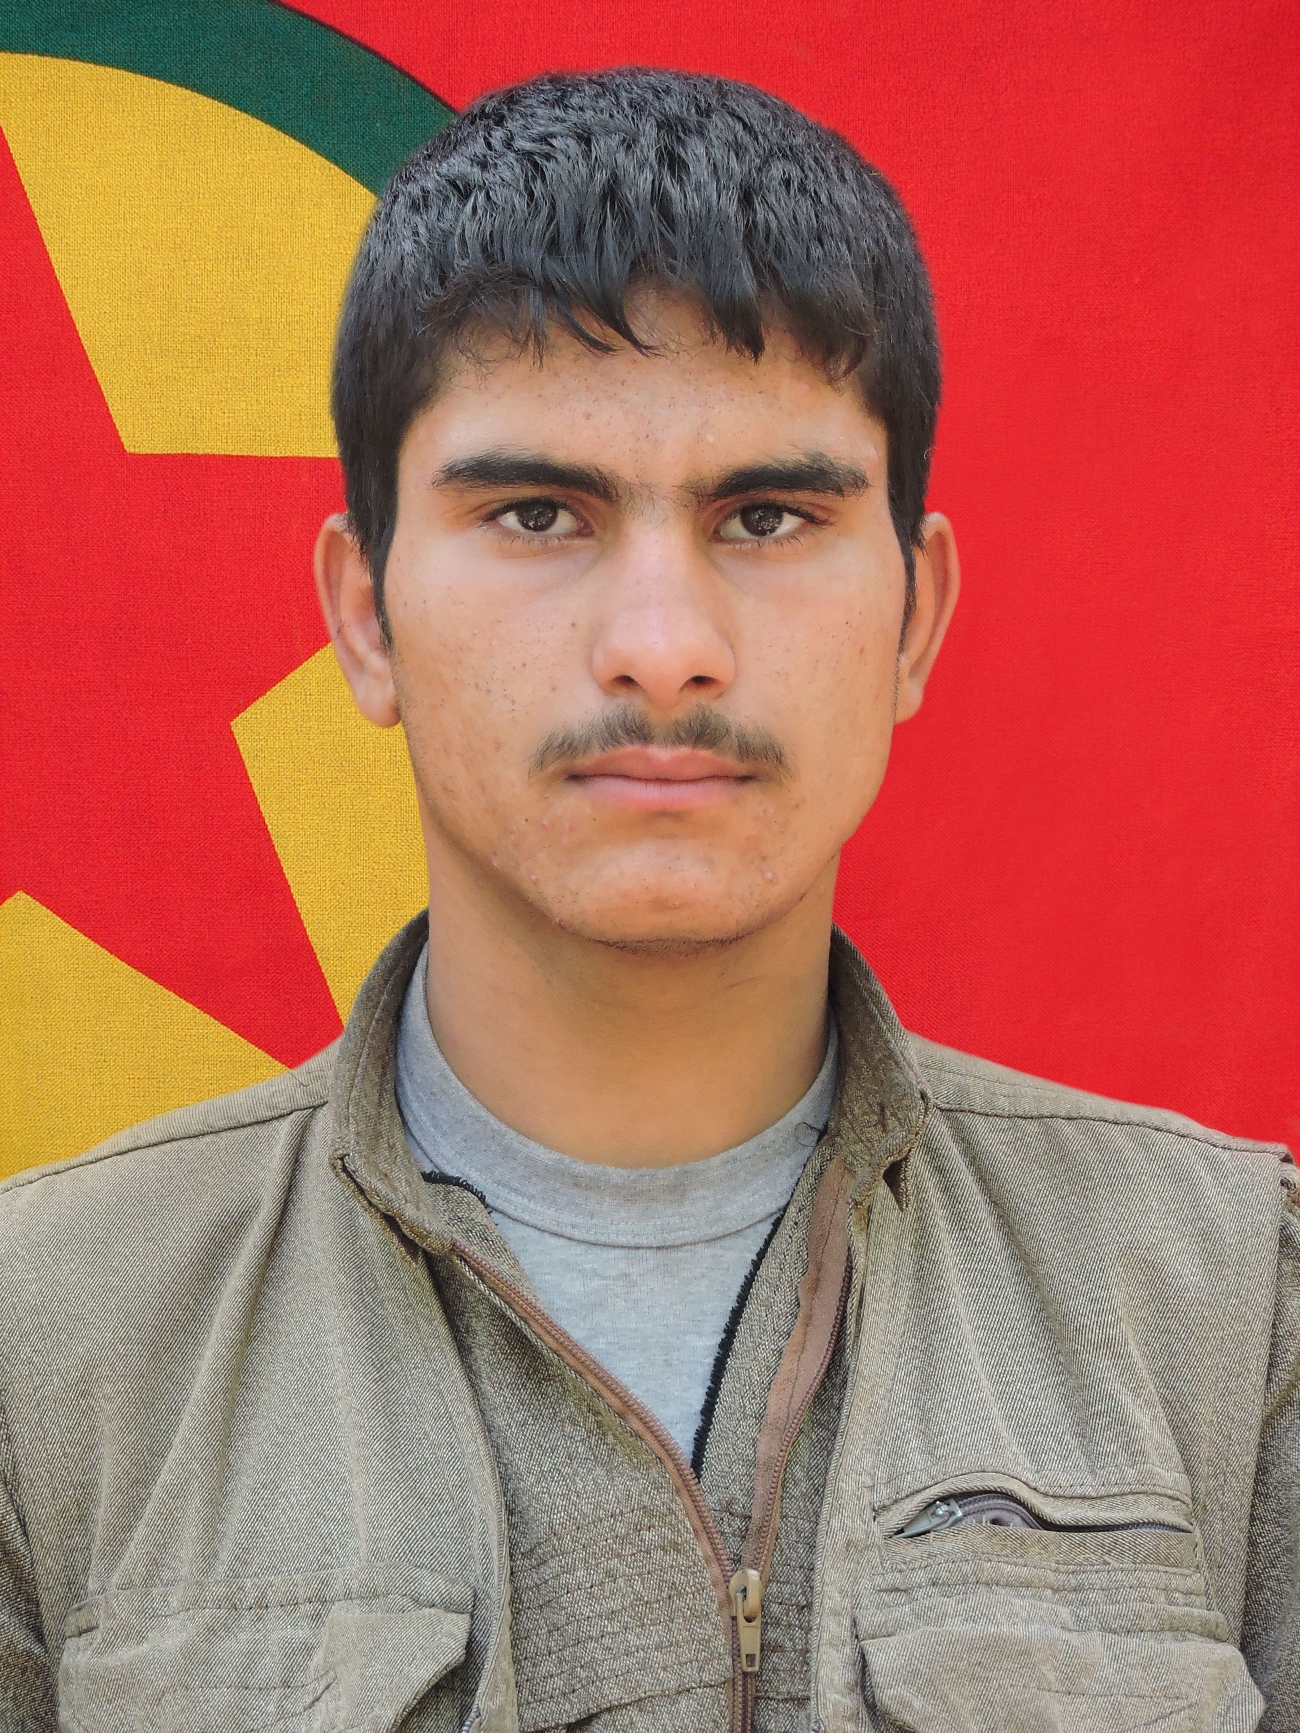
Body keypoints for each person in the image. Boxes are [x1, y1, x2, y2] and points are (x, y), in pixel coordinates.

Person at [0, 67, 1295, 1733]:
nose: (663, 643)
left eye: (769, 515)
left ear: (915, 617)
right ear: (366, 615)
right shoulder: (49, 1346)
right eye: (538, 513)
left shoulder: (1227, 1307)